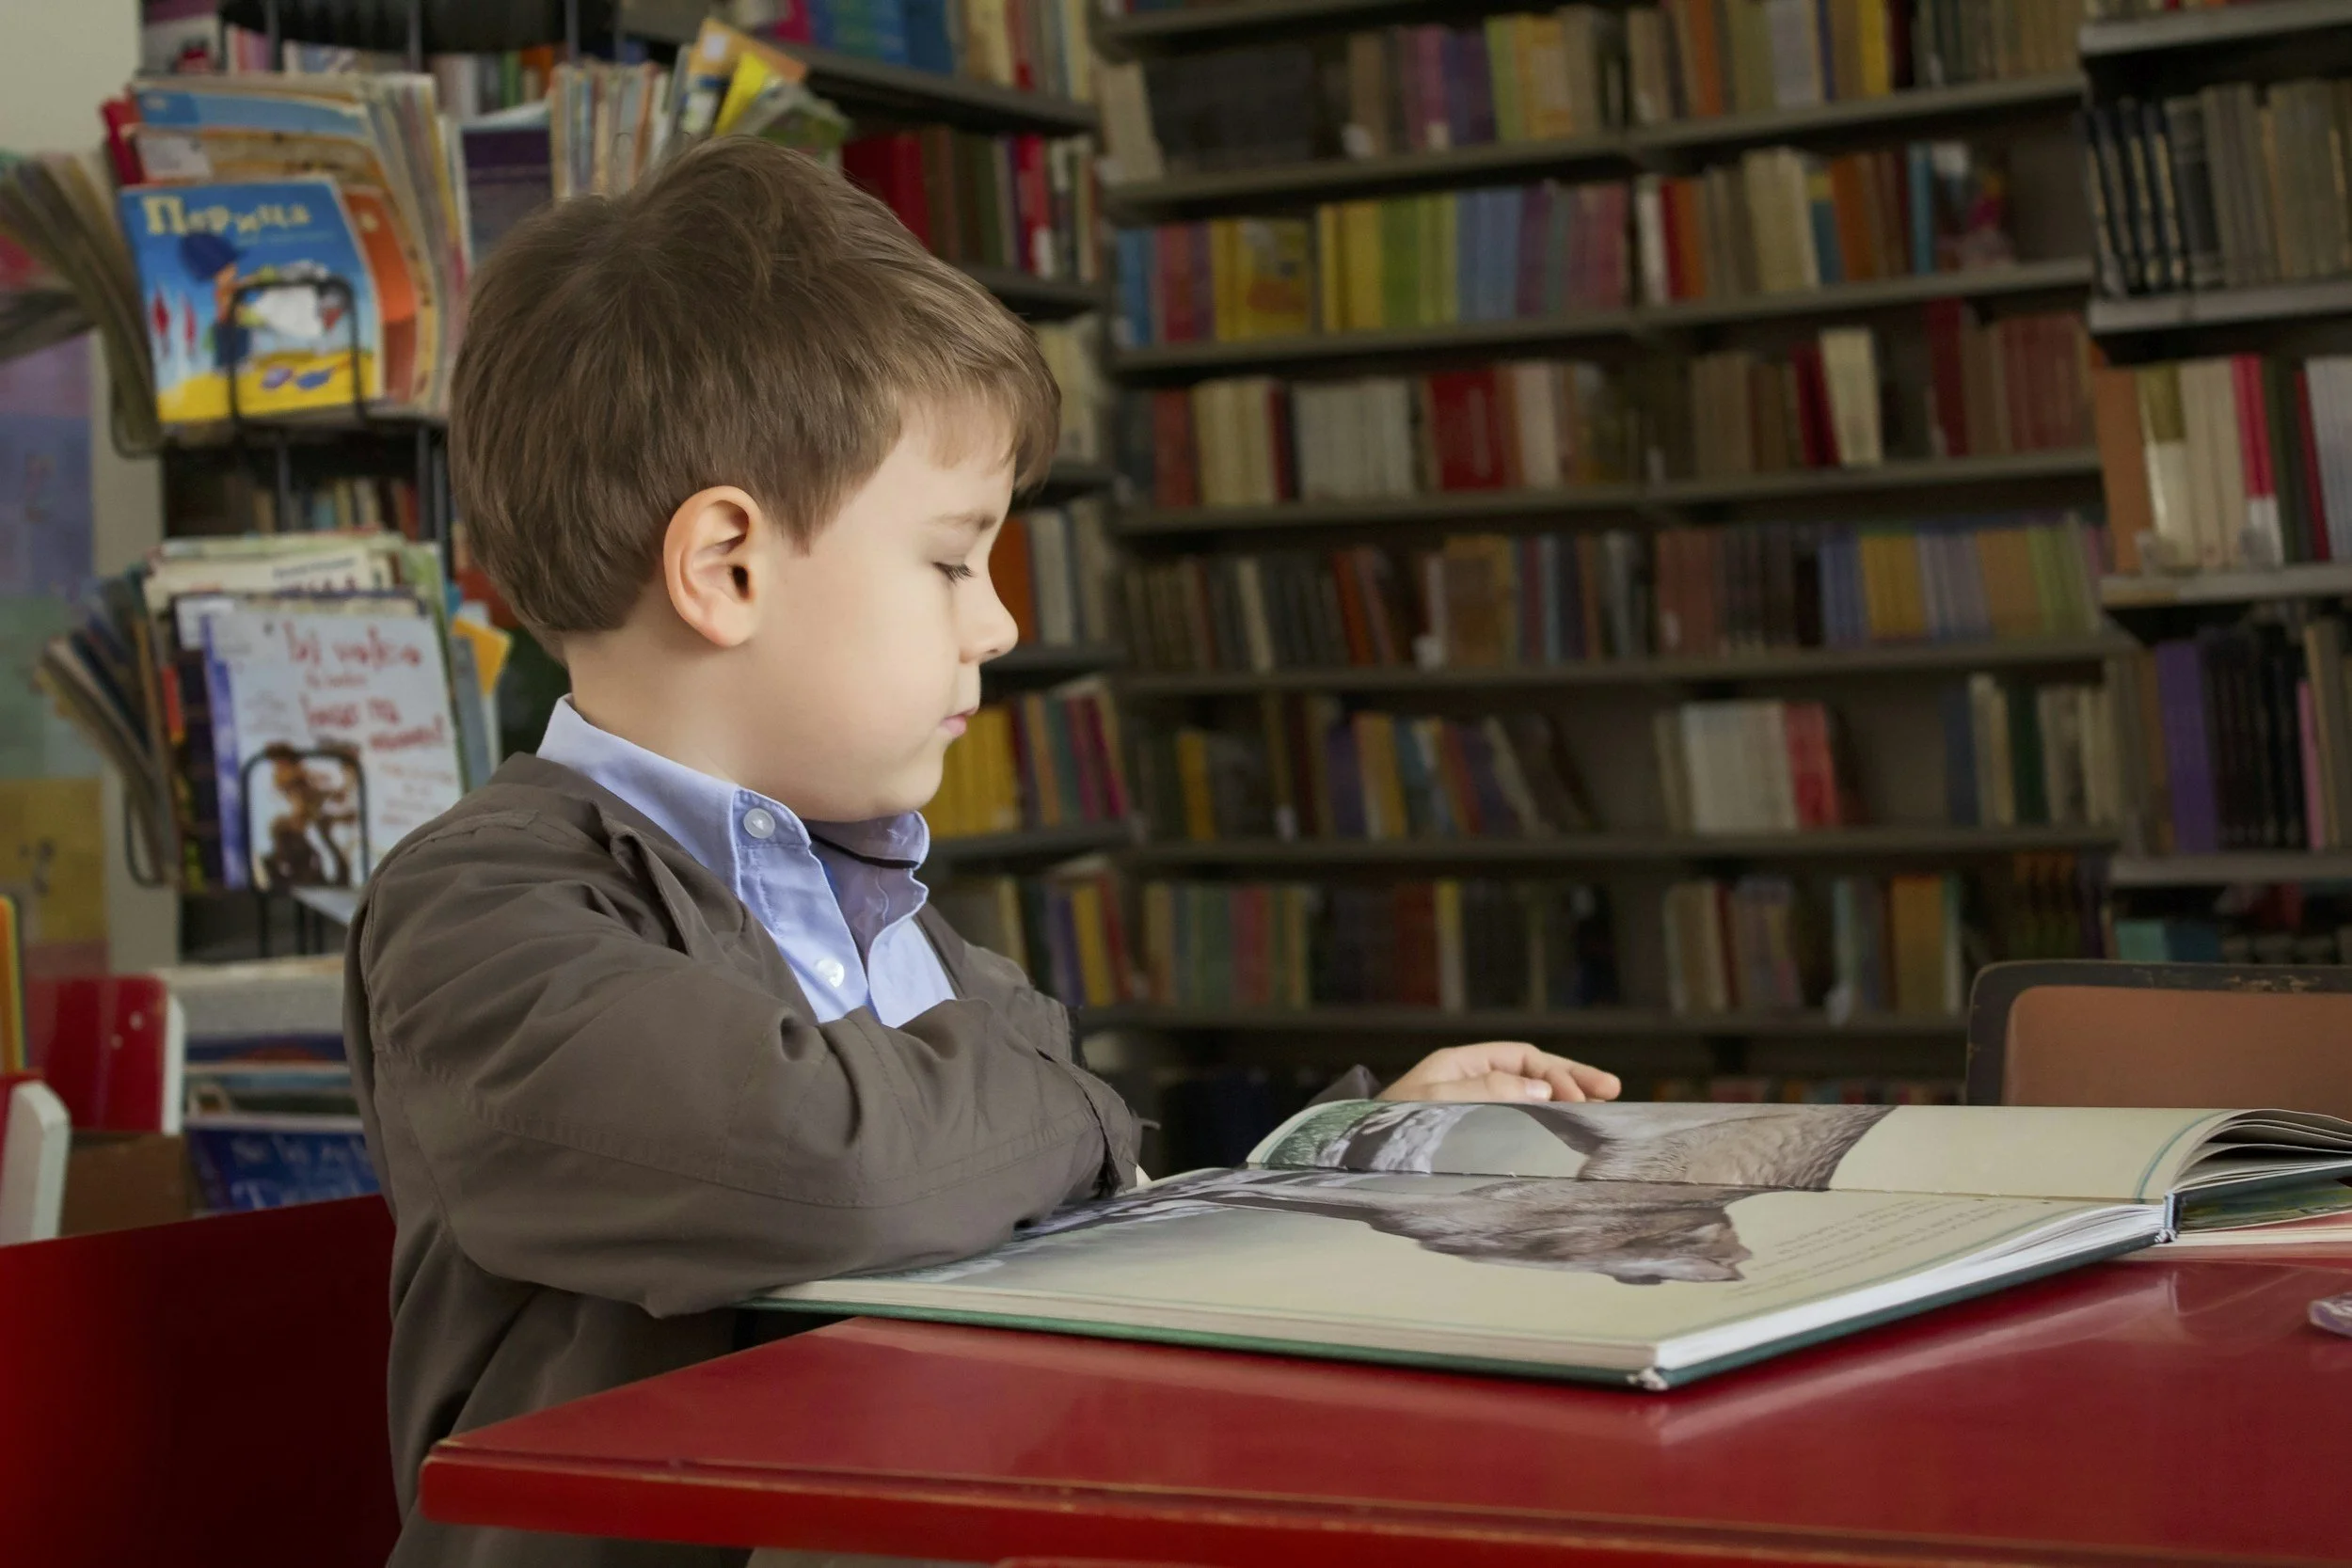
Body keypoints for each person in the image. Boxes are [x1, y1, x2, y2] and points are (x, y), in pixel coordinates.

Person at [345, 136, 1622, 1568]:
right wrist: (1064, 1099)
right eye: (953, 559)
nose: (999, 624)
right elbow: (845, 1174)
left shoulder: (877, 903)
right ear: (726, 568)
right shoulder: (481, 912)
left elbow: (1045, 1218)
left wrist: (1335, 1161)